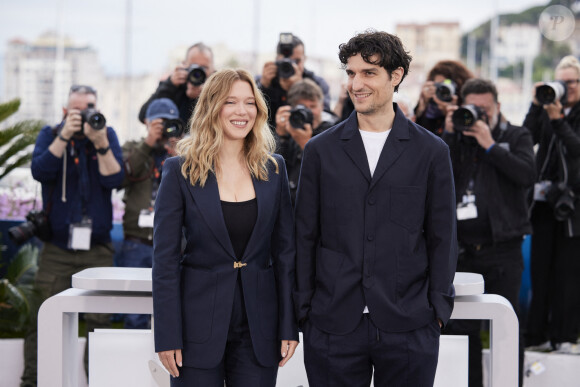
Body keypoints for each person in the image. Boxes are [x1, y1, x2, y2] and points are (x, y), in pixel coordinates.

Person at [294, 30, 457, 387]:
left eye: (368, 72)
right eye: (351, 73)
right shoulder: (320, 151)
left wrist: (437, 313)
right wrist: (305, 311)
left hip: (410, 324)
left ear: (395, 76)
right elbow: (304, 235)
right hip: (332, 326)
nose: (356, 83)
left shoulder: (431, 152)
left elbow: (442, 237)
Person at [152, 68, 299, 386]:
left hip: (260, 328)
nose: (242, 111)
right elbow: (164, 262)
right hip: (195, 328)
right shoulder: (180, 171)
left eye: (250, 102)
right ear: (212, 107)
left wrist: (289, 325)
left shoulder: (274, 169)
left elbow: (285, 255)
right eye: (231, 101)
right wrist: (166, 335)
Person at [21, 85, 124, 387]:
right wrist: (63, 136)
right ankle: (31, 382)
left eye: (90, 106)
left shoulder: (107, 134)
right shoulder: (50, 133)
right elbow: (40, 171)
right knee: (41, 319)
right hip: (57, 248)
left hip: (97, 248)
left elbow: (115, 178)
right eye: (77, 110)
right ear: (65, 112)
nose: (84, 114)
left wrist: (101, 143)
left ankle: (99, 382)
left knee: (99, 324)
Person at [442, 78, 535, 387]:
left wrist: (490, 145)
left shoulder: (516, 136)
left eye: (484, 109)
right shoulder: (457, 140)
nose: (478, 115)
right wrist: (450, 134)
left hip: (503, 250)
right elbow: (440, 177)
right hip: (463, 252)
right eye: (473, 109)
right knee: (461, 331)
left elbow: (525, 175)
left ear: (497, 107)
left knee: (508, 328)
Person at [523, 55, 580, 355]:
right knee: (540, 271)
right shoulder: (546, 107)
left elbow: (576, 150)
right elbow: (525, 138)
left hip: (574, 205)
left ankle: (565, 336)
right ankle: (536, 335)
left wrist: (559, 120)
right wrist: (536, 105)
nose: (565, 87)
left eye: (571, 82)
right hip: (545, 202)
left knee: (568, 274)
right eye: (561, 81)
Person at [119, 98, 184, 329]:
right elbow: (122, 177)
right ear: (147, 122)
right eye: (160, 123)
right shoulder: (133, 148)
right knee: (134, 314)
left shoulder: (182, 152)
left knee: (171, 310)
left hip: (173, 245)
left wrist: (177, 152)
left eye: (170, 122)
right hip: (137, 242)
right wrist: (148, 144)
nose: (165, 127)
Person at [274, 78, 338, 203]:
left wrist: (306, 144)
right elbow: (276, 171)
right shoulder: (291, 129)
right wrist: (281, 136)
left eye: (312, 106)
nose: (308, 112)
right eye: (302, 107)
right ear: (291, 109)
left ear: (322, 106)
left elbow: (330, 175)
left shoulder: (333, 132)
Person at [256, 33, 331, 129]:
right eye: (285, 61)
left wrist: (300, 88)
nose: (291, 66)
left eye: (296, 61)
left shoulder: (317, 84)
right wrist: (263, 87)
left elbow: (324, 119)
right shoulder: (265, 80)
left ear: (304, 59)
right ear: (276, 60)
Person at [138, 42, 215, 124]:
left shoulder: (219, 88)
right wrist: (170, 85)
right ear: (185, 65)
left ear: (213, 70)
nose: (198, 72)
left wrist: (204, 96)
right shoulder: (175, 84)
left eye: (204, 67)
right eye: (194, 66)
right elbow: (144, 115)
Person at [415, 60, 474, 136]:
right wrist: (422, 107)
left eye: (447, 87)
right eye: (439, 86)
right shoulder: (430, 111)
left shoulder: (468, 114)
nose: (443, 91)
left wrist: (453, 116)